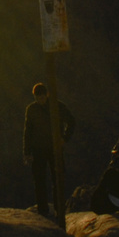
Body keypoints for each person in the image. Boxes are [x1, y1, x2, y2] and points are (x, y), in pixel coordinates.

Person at [22, 83, 76, 217]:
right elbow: (28, 131)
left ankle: (59, 209)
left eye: (41, 97)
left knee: (58, 178)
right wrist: (27, 152)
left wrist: (64, 138)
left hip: (54, 149)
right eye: (37, 98)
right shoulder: (32, 109)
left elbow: (71, 121)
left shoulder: (57, 106)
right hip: (38, 149)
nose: (39, 100)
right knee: (39, 180)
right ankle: (43, 210)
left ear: (46, 95)